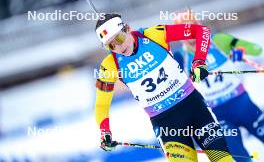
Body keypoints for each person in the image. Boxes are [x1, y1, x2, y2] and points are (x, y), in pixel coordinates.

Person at [94, 13, 234, 162]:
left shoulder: (153, 35)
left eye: (119, 39)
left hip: (194, 108)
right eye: (110, 45)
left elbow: (201, 31)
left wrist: (199, 61)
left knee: (222, 160)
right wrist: (104, 132)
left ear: (127, 28)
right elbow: (101, 104)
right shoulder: (109, 65)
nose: (118, 47)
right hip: (166, 125)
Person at [172, 11, 263, 162]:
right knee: (239, 157)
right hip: (218, 115)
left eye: (192, 29)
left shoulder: (218, 41)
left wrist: (240, 50)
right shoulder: (181, 57)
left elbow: (256, 49)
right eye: (183, 33)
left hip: (243, 105)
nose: (189, 36)